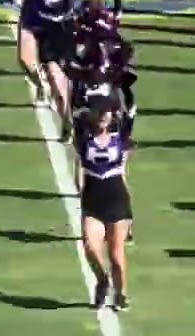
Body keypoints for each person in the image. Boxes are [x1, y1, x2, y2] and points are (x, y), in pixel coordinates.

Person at [75, 93, 133, 312]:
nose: (101, 115)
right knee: (90, 247)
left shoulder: (120, 140)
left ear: (112, 115)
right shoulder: (83, 139)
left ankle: (121, 293)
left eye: (106, 111)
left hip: (117, 202)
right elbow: (79, 168)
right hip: (93, 202)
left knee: (116, 256)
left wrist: (131, 215)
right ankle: (102, 279)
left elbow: (124, 175)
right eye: (97, 111)